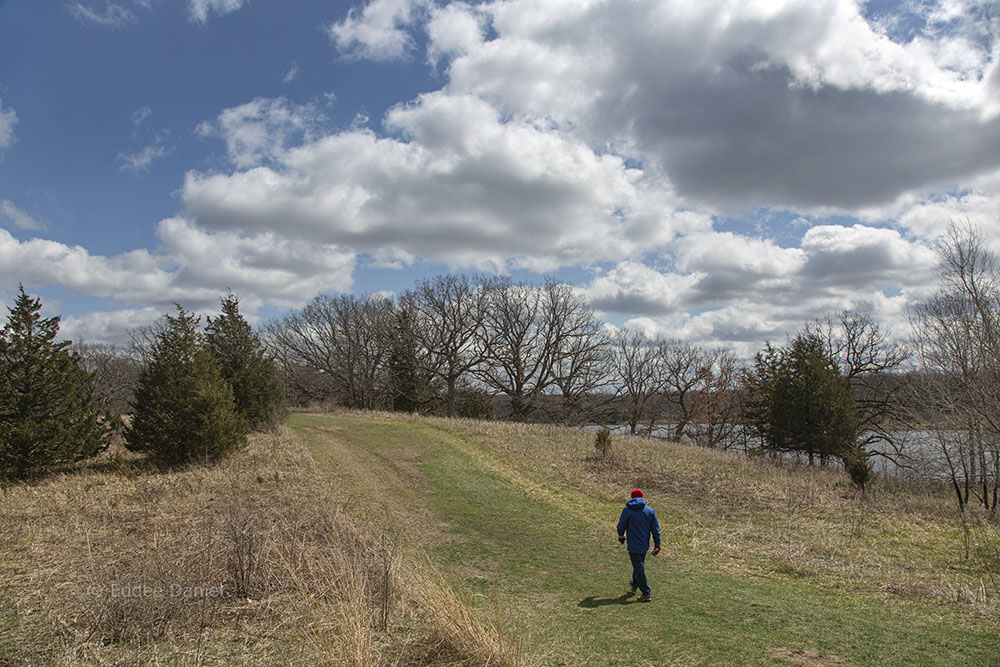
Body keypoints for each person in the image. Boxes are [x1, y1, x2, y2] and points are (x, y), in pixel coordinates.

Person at [616, 488, 660, 602]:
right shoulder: (650, 511)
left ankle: (646, 592)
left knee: (638, 567)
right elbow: (655, 530)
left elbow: (621, 526)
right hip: (644, 544)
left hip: (633, 544)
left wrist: (621, 536)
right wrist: (657, 545)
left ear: (631, 498)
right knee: (639, 565)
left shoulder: (627, 511)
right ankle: (634, 584)